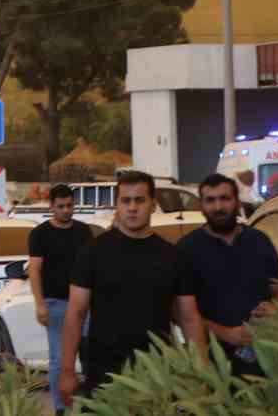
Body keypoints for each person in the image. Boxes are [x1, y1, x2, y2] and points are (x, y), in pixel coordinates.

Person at [59, 171, 206, 406]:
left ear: (152, 204)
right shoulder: (92, 253)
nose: (132, 207)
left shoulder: (173, 257)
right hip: (104, 374)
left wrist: (202, 372)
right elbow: (75, 313)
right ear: (117, 205)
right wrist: (67, 371)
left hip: (157, 376)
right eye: (125, 201)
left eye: (139, 200)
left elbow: (189, 319)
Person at [176, 173, 278, 378]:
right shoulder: (187, 249)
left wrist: (276, 308)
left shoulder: (259, 241)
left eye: (225, 198)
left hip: (268, 359)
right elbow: (180, 314)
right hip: (214, 363)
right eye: (210, 200)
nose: (218, 207)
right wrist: (225, 333)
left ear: (237, 202)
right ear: (201, 206)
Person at [26, 184, 91, 413]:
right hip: (56, 304)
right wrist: (40, 304)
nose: (66, 210)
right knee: (59, 360)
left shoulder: (84, 231)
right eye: (61, 206)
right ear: (51, 206)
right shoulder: (40, 234)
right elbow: (34, 270)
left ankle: (91, 405)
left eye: (69, 205)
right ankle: (60, 408)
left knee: (90, 356)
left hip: (86, 305)